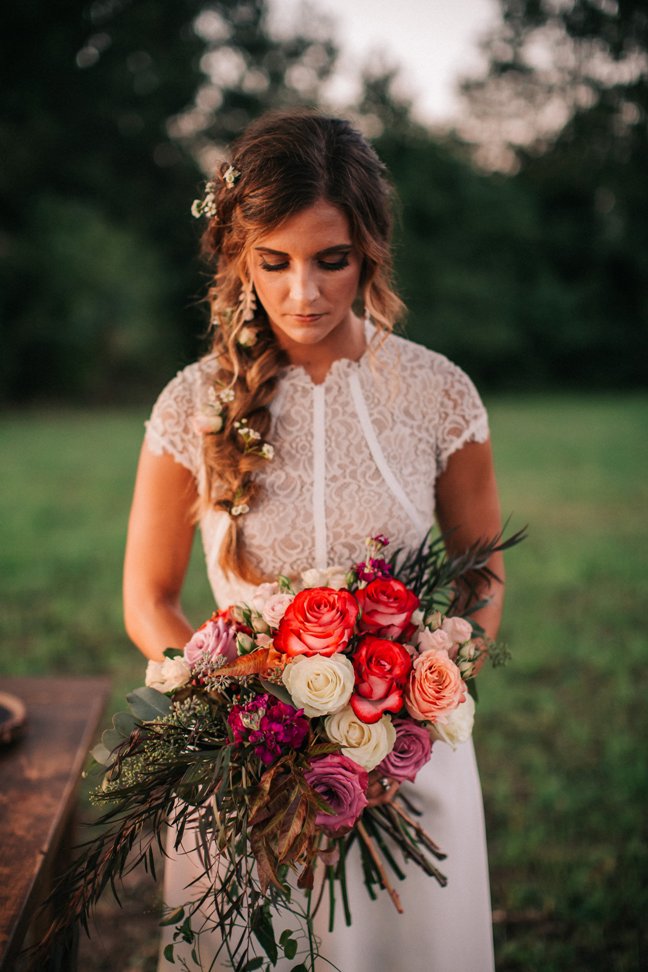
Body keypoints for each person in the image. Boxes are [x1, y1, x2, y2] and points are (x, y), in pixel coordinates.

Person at [123, 108, 504, 972]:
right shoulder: (192, 405)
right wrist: (234, 721)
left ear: (369, 250)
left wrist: (420, 699)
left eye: (332, 259)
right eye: (276, 262)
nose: (305, 292)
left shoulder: (438, 394)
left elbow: (482, 576)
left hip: (405, 767)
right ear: (238, 257)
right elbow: (148, 598)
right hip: (240, 772)